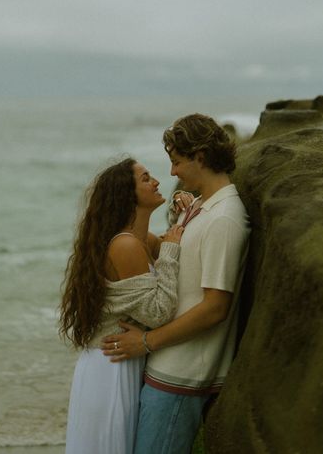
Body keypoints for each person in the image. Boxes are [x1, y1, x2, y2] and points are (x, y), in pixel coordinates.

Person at [102, 114, 251, 454]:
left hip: (181, 377)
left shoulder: (225, 218)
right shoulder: (200, 207)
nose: (171, 173)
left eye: (177, 162)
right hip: (166, 370)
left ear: (200, 157)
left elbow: (215, 307)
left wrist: (146, 342)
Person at [60, 157, 184, 454]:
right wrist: (171, 251)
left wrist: (183, 215)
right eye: (145, 178)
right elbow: (158, 312)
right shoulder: (124, 245)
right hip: (111, 368)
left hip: (121, 359)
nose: (155, 181)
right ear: (126, 195)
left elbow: (170, 241)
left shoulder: (142, 240)